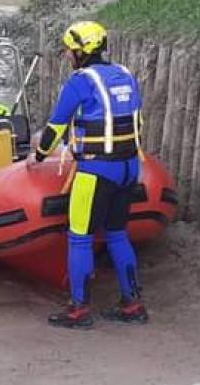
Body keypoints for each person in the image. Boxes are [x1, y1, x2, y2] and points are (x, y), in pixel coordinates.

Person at [30, 21, 148, 329]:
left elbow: (56, 126)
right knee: (117, 233)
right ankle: (132, 303)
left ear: (80, 52)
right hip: (128, 168)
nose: (68, 55)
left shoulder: (79, 81)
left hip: (95, 170)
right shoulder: (125, 75)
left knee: (80, 237)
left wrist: (39, 156)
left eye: (70, 50)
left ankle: (78, 309)